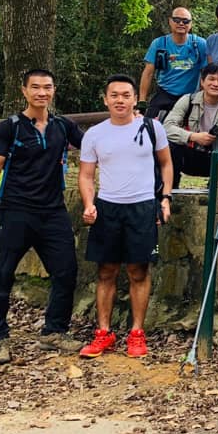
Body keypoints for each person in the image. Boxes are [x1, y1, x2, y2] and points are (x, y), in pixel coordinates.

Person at [0, 69, 85, 366]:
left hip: (53, 212)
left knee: (66, 271)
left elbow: (95, 147)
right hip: (15, 210)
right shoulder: (9, 127)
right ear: (24, 91)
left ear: (54, 91)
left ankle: (54, 331)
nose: (42, 92)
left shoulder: (64, 126)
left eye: (47, 87)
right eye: (35, 87)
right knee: (3, 273)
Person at [78, 74, 173, 358]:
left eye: (126, 95)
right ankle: (104, 333)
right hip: (108, 207)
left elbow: (166, 164)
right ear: (105, 99)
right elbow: (85, 174)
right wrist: (88, 203)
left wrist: (165, 198)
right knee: (106, 270)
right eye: (114, 95)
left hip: (142, 207)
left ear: (135, 99)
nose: (120, 100)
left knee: (138, 271)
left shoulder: (152, 127)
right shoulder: (94, 134)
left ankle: (137, 333)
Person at [140, 7, 208, 118]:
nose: (181, 23)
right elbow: (148, 73)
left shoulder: (200, 44)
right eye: (177, 20)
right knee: (149, 123)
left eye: (185, 21)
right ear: (170, 21)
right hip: (165, 92)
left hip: (190, 96)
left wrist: (203, 98)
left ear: (191, 24)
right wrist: (142, 101)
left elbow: (206, 74)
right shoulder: (160, 43)